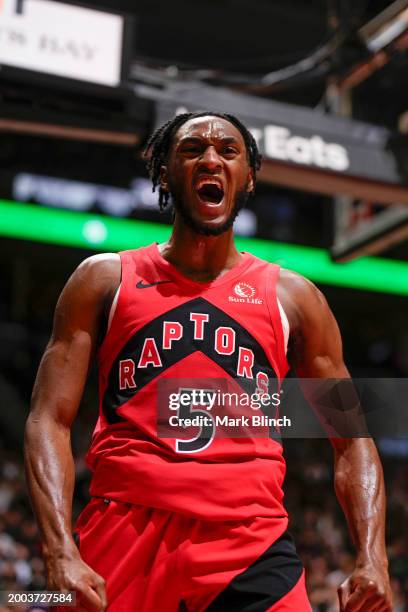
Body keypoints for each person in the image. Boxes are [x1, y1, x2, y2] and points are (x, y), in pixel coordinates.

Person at [24, 112, 392, 611]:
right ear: (164, 171)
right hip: (123, 530)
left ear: (250, 176)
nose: (211, 158)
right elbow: (49, 419)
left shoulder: (295, 299)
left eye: (228, 150)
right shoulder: (104, 279)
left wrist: (374, 558)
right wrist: (59, 548)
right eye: (192, 148)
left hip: (251, 540)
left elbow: (352, 438)